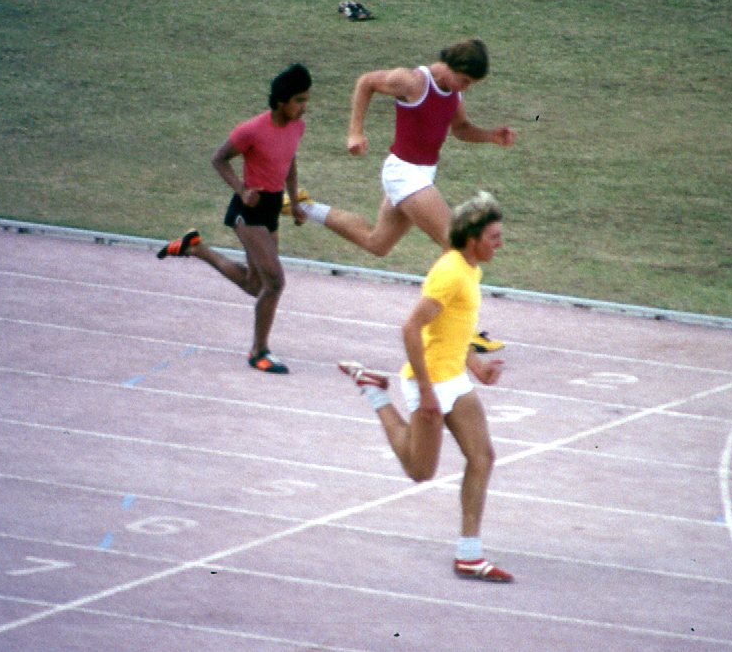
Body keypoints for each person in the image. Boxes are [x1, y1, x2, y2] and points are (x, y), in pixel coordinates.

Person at [338, 191, 513, 583]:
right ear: (472, 239)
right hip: (429, 381)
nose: (500, 244)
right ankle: (375, 393)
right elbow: (411, 327)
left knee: (482, 457)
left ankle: (469, 555)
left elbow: (455, 324)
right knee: (420, 472)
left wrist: (476, 365)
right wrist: (428, 393)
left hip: (455, 378)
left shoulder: (471, 269)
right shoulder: (450, 272)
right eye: (494, 237)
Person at [299, 39, 515, 353]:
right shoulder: (413, 81)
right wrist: (355, 131)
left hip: (422, 175)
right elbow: (366, 82)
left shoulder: (453, 94)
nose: (465, 88)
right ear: (453, 68)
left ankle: (304, 206)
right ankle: (459, 328)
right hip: (403, 172)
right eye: (465, 81)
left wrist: (491, 136)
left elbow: (461, 129)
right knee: (457, 243)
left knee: (377, 243)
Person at [156, 63, 312, 375]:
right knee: (276, 282)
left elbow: (290, 161)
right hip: (249, 211)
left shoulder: (297, 127)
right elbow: (219, 158)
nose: (304, 106)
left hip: (270, 209)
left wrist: (294, 202)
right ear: (281, 101)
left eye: (307, 99)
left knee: (257, 286)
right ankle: (259, 351)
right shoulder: (252, 129)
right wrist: (241, 191)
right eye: (299, 100)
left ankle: (195, 248)